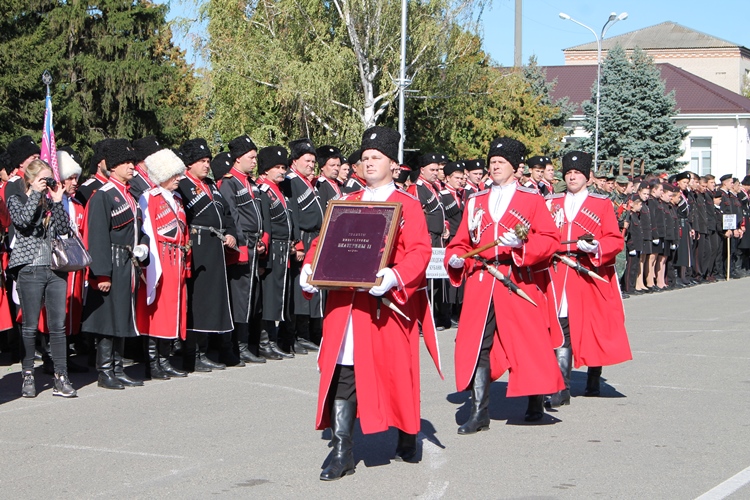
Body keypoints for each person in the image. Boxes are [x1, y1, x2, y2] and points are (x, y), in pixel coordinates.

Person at [299, 126, 441, 480]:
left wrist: (393, 276)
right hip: (347, 307)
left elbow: (420, 252)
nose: (369, 163)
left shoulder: (408, 205)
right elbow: (323, 243)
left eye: (376, 157)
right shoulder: (347, 202)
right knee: (344, 374)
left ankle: (408, 432)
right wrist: (308, 267)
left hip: (385, 307)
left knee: (396, 373)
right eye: (364, 158)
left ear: (393, 164)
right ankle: (343, 450)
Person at [445, 137, 564, 431]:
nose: (494, 167)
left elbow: (550, 240)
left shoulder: (531, 198)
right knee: (476, 345)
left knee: (529, 342)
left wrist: (523, 245)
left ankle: (535, 399)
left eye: (500, 163)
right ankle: (479, 412)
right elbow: (461, 241)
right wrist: (457, 257)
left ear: (514, 167)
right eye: (492, 162)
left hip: (517, 278)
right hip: (482, 280)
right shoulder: (475, 201)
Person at [544, 151, 632, 406]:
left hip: (588, 272)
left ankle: (594, 374)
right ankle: (561, 388)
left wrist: (594, 247)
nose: (572, 177)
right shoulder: (551, 202)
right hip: (558, 271)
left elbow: (614, 239)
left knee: (593, 326)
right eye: (569, 174)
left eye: (577, 174)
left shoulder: (601, 203)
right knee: (561, 326)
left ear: (587, 177)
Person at [81, 139, 149, 389]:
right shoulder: (104, 195)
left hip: (129, 262)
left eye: (133, 162)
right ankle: (105, 370)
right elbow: (97, 236)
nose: (132, 167)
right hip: (112, 261)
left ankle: (118, 367)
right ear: (114, 165)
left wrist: (143, 246)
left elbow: (138, 228)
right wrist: (102, 274)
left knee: (122, 315)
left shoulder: (129, 195)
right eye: (127, 162)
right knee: (108, 319)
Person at [7, 159, 77, 398]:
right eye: (42, 179)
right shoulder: (16, 199)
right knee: (29, 326)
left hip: (56, 269)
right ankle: (28, 374)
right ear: (30, 179)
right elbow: (23, 223)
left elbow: (63, 228)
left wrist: (57, 202)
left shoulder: (50, 201)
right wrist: (35, 194)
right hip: (29, 269)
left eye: (48, 179)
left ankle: (61, 376)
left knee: (57, 326)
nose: (46, 184)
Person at [176, 138, 239, 371]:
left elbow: (227, 214)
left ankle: (203, 351)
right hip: (198, 245)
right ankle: (191, 355)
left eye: (208, 160)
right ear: (189, 163)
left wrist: (231, 233)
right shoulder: (182, 185)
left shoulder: (212, 185)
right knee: (197, 301)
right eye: (201, 161)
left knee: (211, 300)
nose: (206, 165)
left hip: (216, 247)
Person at [136, 147, 190, 380]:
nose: (179, 179)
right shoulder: (150, 197)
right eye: (174, 174)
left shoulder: (177, 199)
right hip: (160, 258)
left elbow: (184, 232)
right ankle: (152, 361)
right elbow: (147, 231)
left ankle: (165, 358)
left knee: (174, 310)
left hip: (177, 259)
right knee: (157, 310)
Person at [219, 135, 267, 364]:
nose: (255, 161)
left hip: (254, 242)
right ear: (238, 159)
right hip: (242, 245)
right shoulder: (229, 182)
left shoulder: (252, 183)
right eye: (251, 157)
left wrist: (262, 239)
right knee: (240, 297)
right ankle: (238, 345)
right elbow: (232, 216)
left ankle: (247, 342)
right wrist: (240, 247)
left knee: (252, 297)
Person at [283, 139, 325, 354]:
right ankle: (297, 334)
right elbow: (295, 215)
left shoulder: (307, 182)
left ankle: (308, 332)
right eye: (307, 160)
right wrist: (298, 242)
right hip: (304, 238)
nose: (311, 164)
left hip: (315, 236)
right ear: (295, 161)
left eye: (313, 161)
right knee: (301, 288)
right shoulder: (292, 181)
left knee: (313, 285)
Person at [256, 146, 294, 360]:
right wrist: (264, 254)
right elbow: (266, 223)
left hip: (282, 248)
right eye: (277, 167)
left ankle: (273, 340)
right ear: (266, 170)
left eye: (283, 167)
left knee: (279, 297)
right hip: (271, 249)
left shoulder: (279, 190)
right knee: (269, 298)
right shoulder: (264, 190)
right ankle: (264, 342)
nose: (282, 171)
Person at [315, 145, 343, 212]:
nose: (336, 168)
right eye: (332, 165)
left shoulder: (340, 184)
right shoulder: (320, 185)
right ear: (322, 166)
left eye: (338, 165)